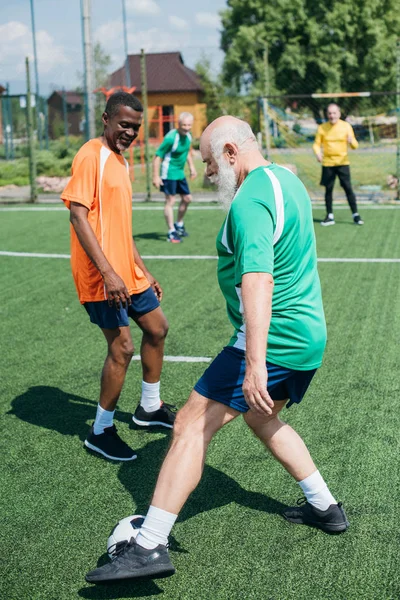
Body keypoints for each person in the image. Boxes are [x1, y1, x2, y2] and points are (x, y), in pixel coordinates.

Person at [85, 115, 349, 584]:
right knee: (261, 416)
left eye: (208, 162)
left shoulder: (248, 202)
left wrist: (253, 364)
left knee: (188, 424)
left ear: (231, 152)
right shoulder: (285, 177)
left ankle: (148, 546)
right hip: (309, 336)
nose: (206, 173)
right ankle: (325, 506)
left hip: (274, 339)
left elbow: (257, 279)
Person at [61, 92, 175, 463]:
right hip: (99, 276)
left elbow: (120, 228)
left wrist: (141, 269)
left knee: (157, 328)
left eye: (136, 127)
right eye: (124, 124)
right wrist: (109, 273)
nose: (129, 132)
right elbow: (78, 216)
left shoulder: (121, 162)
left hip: (126, 271)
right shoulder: (90, 154)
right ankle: (100, 430)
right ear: (107, 118)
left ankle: (149, 408)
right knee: (122, 347)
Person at [313, 103, 364, 226]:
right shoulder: (322, 128)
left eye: (334, 113)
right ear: (327, 114)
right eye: (330, 113)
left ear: (339, 114)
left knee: (348, 188)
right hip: (328, 164)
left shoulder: (346, 126)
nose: (332, 115)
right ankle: (329, 216)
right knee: (328, 189)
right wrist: (317, 153)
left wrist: (352, 142)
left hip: (343, 163)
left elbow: (355, 146)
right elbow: (316, 144)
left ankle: (355, 215)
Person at [153, 112, 197, 243]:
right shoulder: (171, 138)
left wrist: (192, 167)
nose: (187, 127)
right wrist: (156, 176)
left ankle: (179, 224)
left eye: (189, 125)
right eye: (184, 125)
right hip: (168, 173)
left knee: (187, 198)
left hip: (179, 173)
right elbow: (157, 157)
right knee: (170, 201)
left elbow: (187, 152)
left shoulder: (188, 136)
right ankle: (171, 232)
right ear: (178, 124)